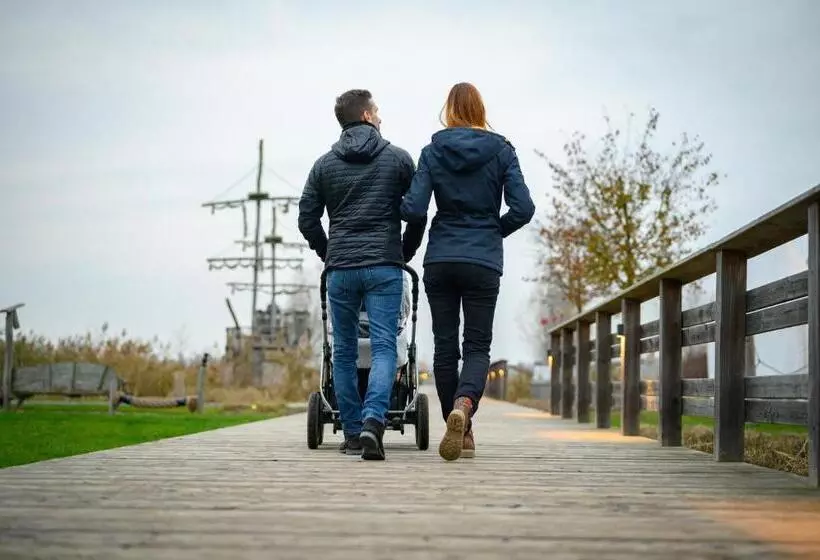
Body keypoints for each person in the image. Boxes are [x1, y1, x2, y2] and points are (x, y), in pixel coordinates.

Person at [400, 82, 535, 461]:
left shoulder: (432, 151)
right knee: (476, 347)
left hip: (440, 258)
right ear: (481, 110)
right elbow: (523, 208)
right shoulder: (502, 151)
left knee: (445, 348)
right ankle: (465, 405)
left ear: (449, 109)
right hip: (482, 261)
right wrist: (493, 231)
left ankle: (459, 425)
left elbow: (412, 209)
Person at [298, 89, 425, 460]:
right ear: (368, 116)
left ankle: (352, 433)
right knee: (386, 345)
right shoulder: (398, 159)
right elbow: (417, 212)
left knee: (344, 349)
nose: (381, 117)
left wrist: (328, 251)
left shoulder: (323, 165)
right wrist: (404, 253)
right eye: (378, 111)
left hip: (341, 270)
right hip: (384, 266)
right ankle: (374, 422)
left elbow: (307, 217)